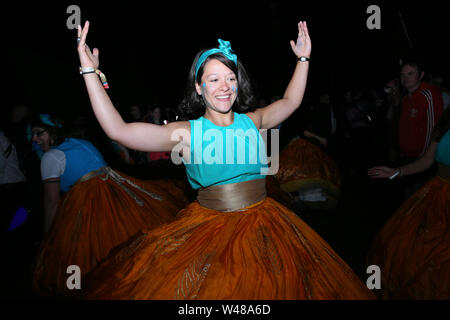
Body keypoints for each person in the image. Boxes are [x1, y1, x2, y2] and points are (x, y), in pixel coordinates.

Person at [76, 20, 374, 299]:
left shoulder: (252, 121)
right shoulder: (187, 133)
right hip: (212, 230)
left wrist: (303, 59)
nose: (225, 86)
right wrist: (90, 72)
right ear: (199, 87)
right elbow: (119, 131)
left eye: (231, 78)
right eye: (214, 79)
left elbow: (290, 102)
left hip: (268, 224)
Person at [29, 114, 183, 296]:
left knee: (86, 257)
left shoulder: (52, 157)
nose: (34, 139)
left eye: (39, 133)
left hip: (89, 203)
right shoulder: (82, 143)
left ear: (53, 131)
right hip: (117, 193)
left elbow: (51, 201)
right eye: (32, 135)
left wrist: (50, 235)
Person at [367, 106, 450, 299]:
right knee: (404, 246)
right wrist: (398, 171)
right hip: (435, 194)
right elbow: (427, 160)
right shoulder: (445, 125)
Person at [396, 59, 444, 197]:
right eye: (403, 74)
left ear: (421, 75)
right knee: (409, 200)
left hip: (421, 159)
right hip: (407, 157)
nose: (405, 78)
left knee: (418, 199)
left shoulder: (428, 94)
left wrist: (424, 157)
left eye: (410, 73)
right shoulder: (407, 97)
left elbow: (434, 128)